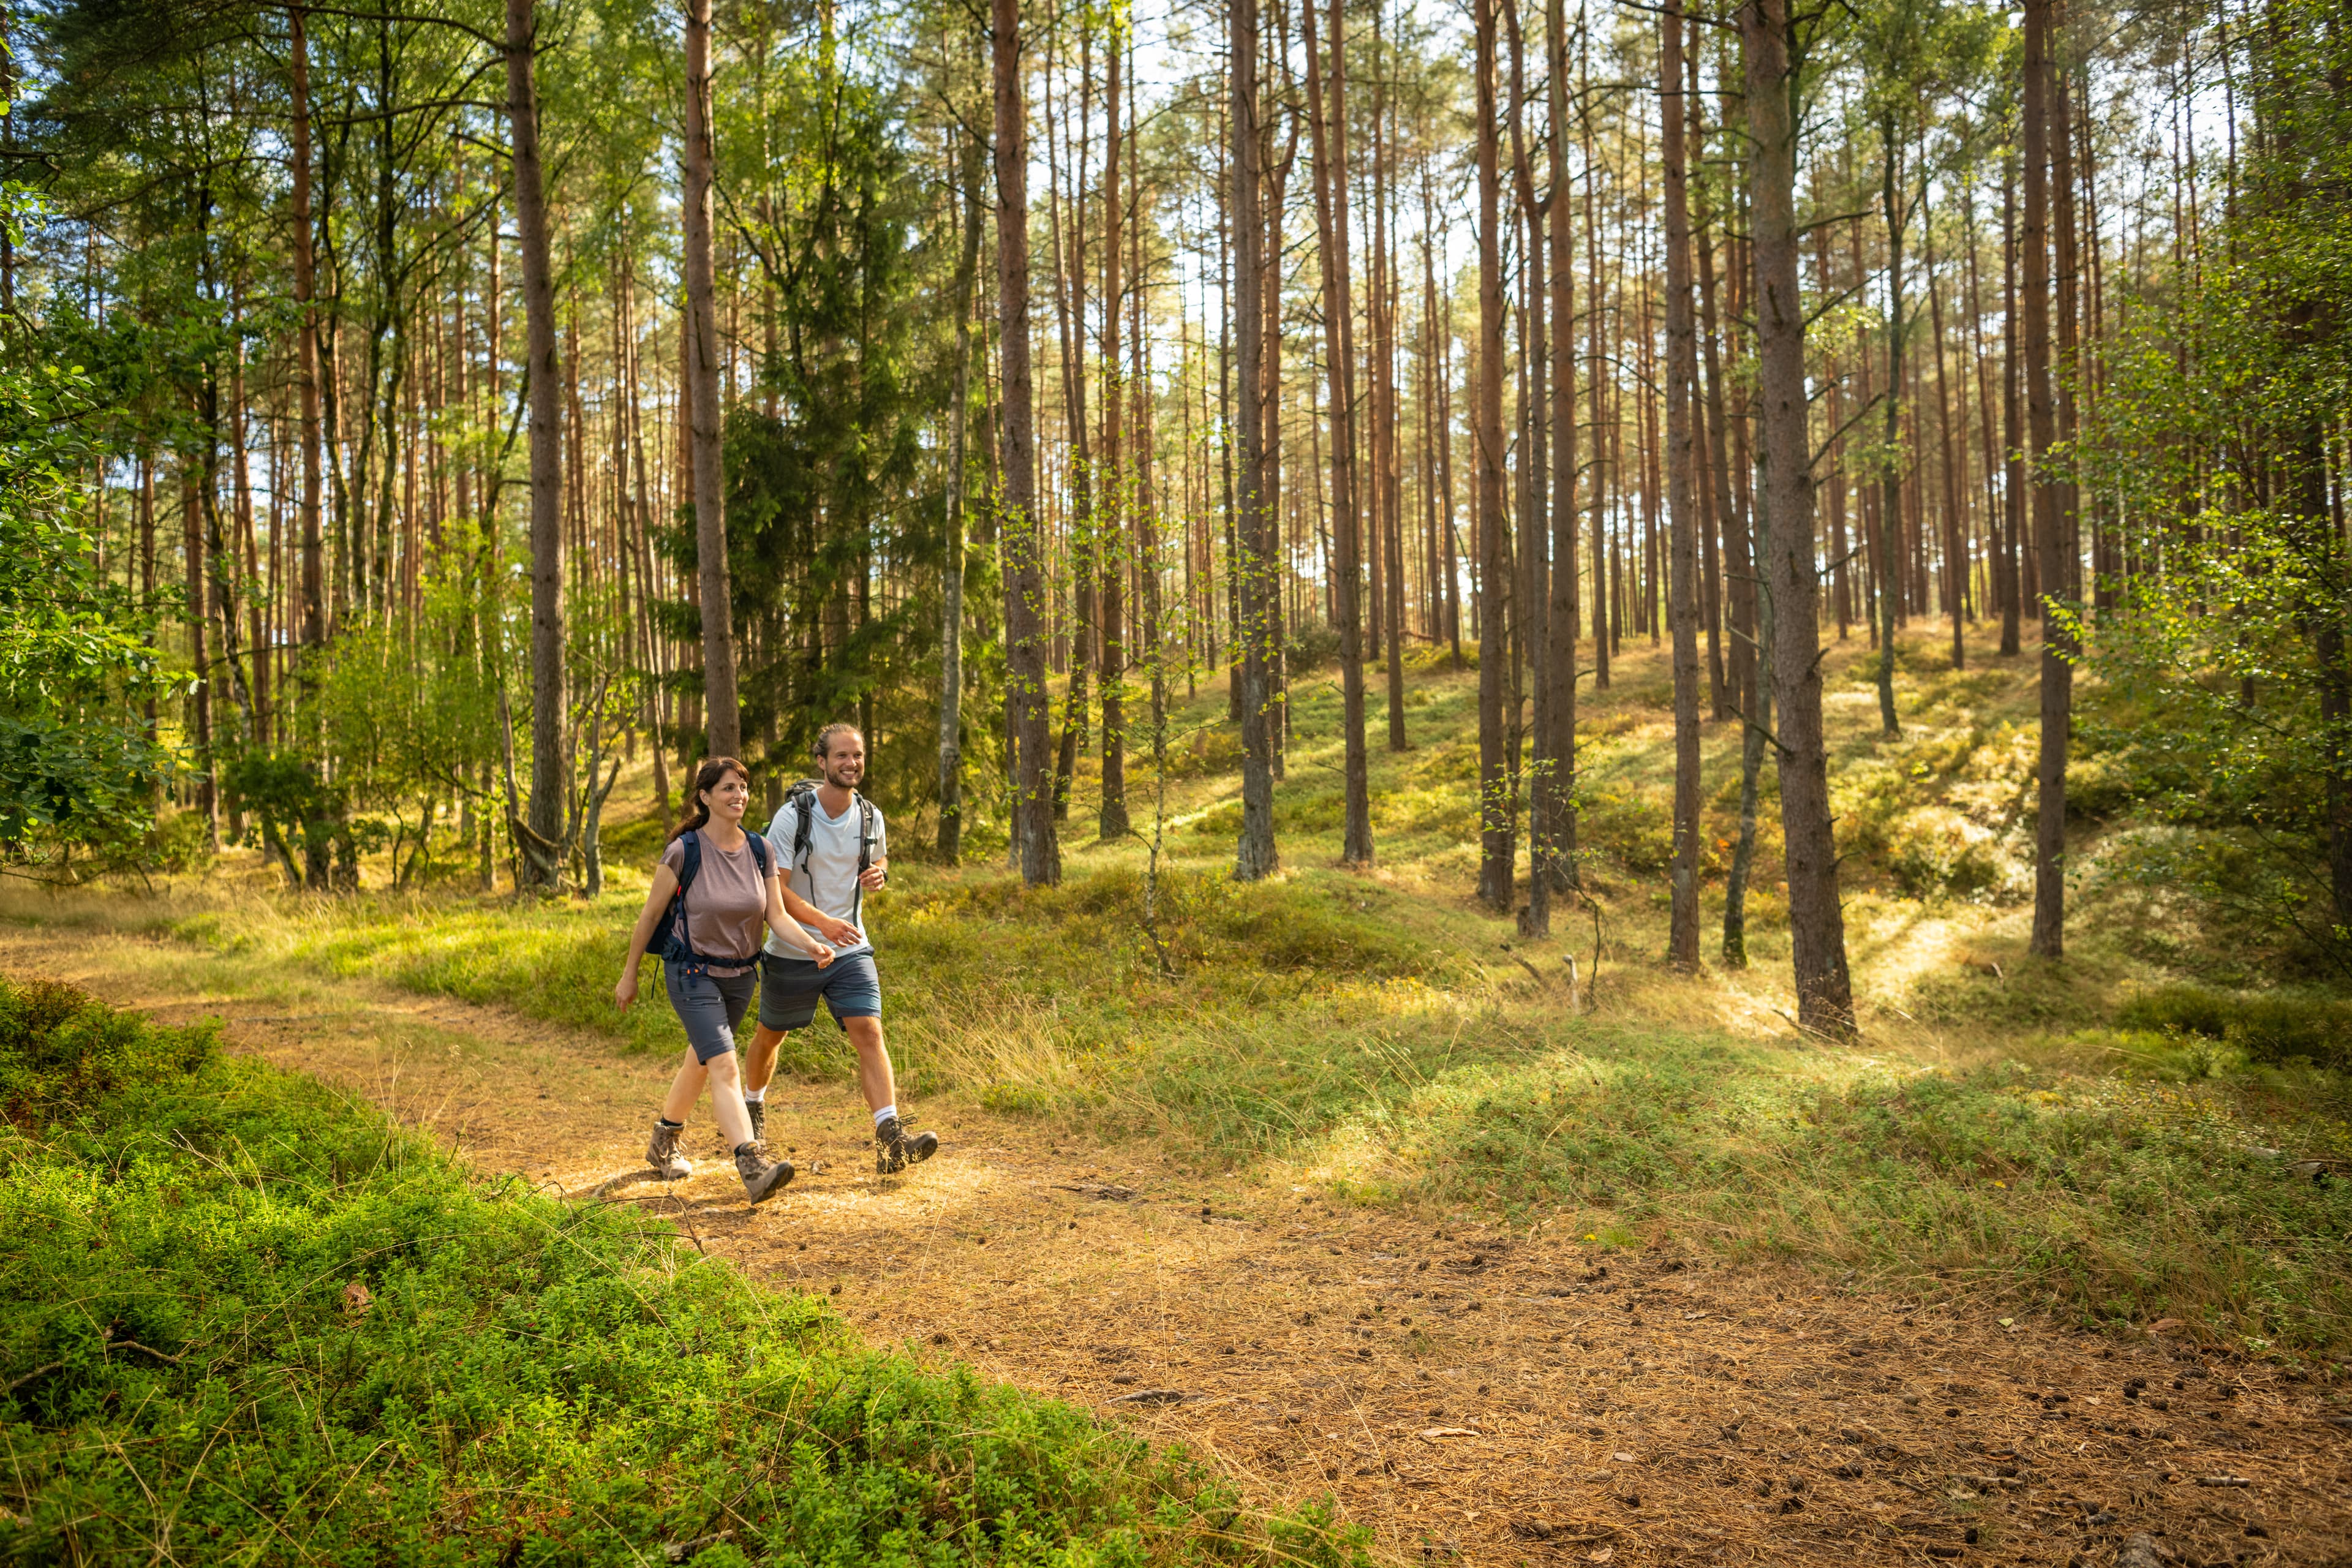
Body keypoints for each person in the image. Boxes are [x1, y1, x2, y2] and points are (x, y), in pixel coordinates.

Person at [614, 755, 850, 1204]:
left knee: (700, 1061)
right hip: (691, 972)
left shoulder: (761, 849)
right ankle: (752, 1162)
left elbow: (775, 915)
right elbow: (649, 916)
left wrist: (812, 944)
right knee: (723, 1065)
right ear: (705, 797)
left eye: (742, 787)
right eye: (727, 788)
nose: (738, 795)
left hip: (741, 975)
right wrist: (629, 975)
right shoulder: (685, 851)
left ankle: (663, 1143)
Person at [741, 723, 940, 1174]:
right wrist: (822, 924)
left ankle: (891, 1141)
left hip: (851, 948)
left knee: (869, 1031)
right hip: (794, 948)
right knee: (771, 1035)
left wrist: (879, 874)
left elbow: (879, 857)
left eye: (859, 756)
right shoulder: (792, 817)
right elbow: (778, 892)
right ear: (822, 762)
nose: (852, 764)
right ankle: (752, 1114)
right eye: (842, 757)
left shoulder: (871, 815)